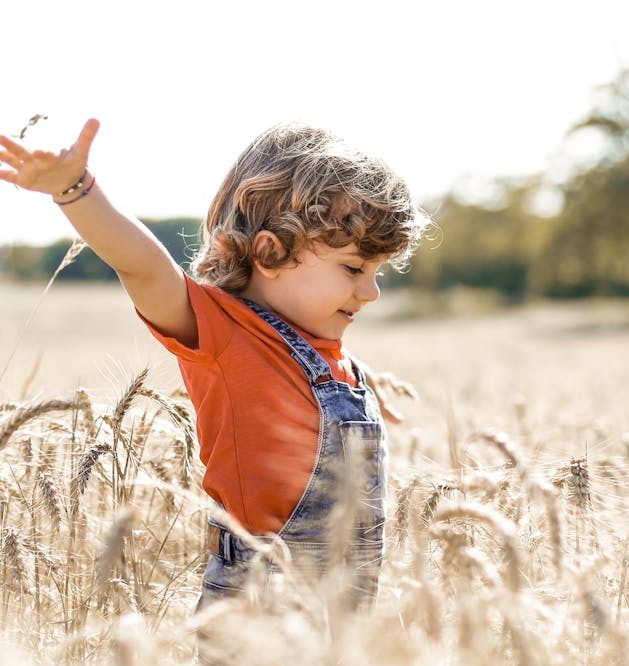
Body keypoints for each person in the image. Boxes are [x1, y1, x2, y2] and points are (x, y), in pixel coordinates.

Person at [0, 118, 430, 619]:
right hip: (258, 604)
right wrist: (75, 191)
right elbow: (144, 267)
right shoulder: (225, 333)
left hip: (344, 607)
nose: (371, 291)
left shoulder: (329, 354)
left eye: (377, 273)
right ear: (271, 251)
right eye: (354, 269)